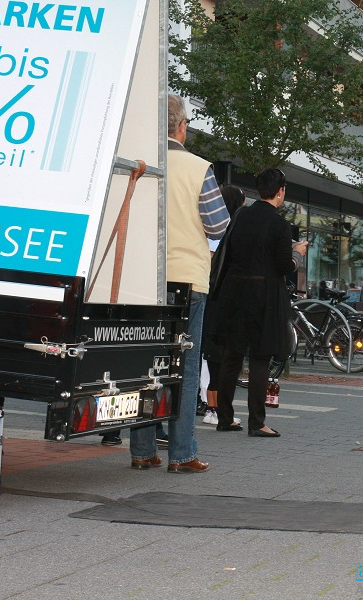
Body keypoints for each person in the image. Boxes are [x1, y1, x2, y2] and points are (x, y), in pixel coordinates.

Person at [130, 94, 230, 473]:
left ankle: (142, 451)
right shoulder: (198, 168)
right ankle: (182, 452)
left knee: (146, 366)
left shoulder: (139, 165)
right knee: (185, 368)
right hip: (187, 279)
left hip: (141, 279)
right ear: (182, 127)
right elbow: (219, 225)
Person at [214, 168, 307, 437]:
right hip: (263, 295)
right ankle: (257, 422)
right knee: (259, 358)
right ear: (280, 191)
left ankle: (225, 417)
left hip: (235, 291)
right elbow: (282, 265)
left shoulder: (242, 215)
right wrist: (297, 254)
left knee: (232, 356)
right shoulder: (279, 224)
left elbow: (231, 251)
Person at [201, 185, 247, 428]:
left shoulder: (212, 227)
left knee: (213, 358)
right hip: (220, 298)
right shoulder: (227, 230)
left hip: (210, 297)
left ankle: (213, 408)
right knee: (220, 358)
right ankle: (215, 410)